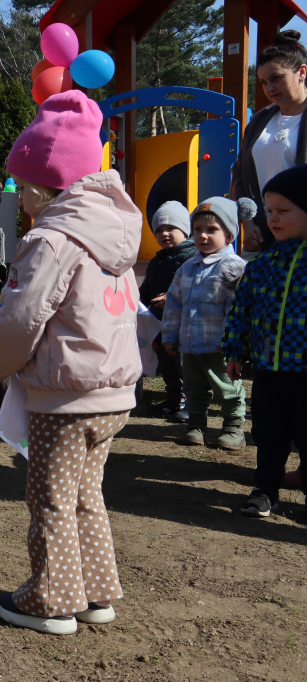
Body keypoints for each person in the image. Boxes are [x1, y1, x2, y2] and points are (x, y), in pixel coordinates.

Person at [0, 90, 143, 635]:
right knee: (84, 495)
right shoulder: (111, 232)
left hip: (66, 391)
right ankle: (95, 592)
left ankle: (50, 600)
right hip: (113, 392)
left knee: (49, 496)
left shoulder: (51, 239)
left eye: (21, 186)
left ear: (41, 186)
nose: (20, 198)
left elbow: (21, 317)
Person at [223, 164, 307, 517]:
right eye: (269, 211)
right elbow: (240, 311)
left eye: (283, 211)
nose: (273, 218)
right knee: (268, 433)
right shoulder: (260, 264)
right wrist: (234, 350)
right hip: (269, 368)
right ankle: (265, 489)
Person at [160, 197, 247, 449]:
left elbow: (238, 310)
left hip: (218, 346)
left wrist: (233, 343)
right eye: (197, 229)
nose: (203, 236)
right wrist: (170, 335)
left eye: (212, 230)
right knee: (194, 388)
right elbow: (175, 304)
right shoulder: (187, 268)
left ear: (229, 235)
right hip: (189, 344)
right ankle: (196, 426)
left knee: (228, 389)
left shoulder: (233, 267)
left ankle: (234, 429)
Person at [231, 30, 307, 256]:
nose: (269, 89)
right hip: (264, 235)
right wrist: (247, 222)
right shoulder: (258, 121)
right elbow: (240, 176)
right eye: (264, 82)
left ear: (302, 72)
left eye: (276, 78)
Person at [139, 201, 197, 422]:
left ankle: (190, 403)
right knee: (168, 363)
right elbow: (147, 290)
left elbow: (196, 287)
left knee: (184, 365)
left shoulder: (192, 257)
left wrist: (173, 298)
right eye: (159, 230)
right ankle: (174, 400)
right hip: (162, 324)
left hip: (185, 323)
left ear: (184, 229)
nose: (165, 233)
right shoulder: (157, 261)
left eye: (171, 228)